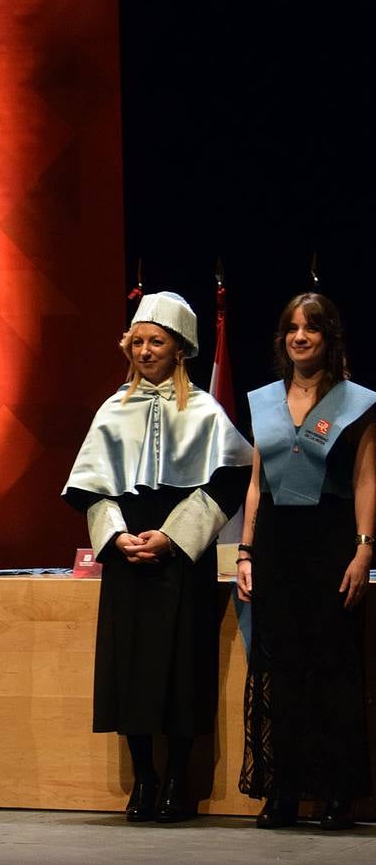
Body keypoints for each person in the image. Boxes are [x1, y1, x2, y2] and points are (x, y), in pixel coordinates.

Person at [63, 291, 253, 823]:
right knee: (131, 669)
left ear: (180, 349)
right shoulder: (112, 408)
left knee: (181, 668)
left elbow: (231, 478)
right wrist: (117, 537)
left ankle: (176, 782)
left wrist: (174, 536)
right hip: (127, 559)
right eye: (138, 342)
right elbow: (91, 488)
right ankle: (143, 778)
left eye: (157, 342)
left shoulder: (206, 411)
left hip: (179, 558)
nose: (146, 351)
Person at [237, 292, 375, 830]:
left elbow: (367, 478)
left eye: (311, 329)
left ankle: (337, 792)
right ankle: (285, 790)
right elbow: (255, 483)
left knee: (332, 669)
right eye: (292, 328)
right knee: (281, 670)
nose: (300, 337)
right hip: (276, 543)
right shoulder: (264, 400)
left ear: (328, 337)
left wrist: (365, 548)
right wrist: (246, 550)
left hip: (331, 540)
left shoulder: (356, 401)